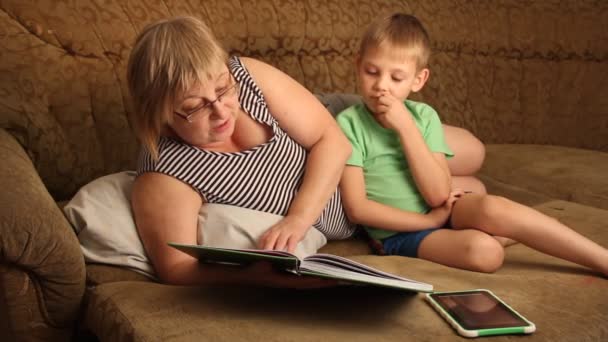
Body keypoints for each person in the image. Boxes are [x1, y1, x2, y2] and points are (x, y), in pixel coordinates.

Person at [125, 16, 490, 287]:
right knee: (472, 190)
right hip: (359, 193)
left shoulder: (246, 74)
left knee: (473, 151)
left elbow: (332, 139)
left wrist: (299, 218)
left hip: (341, 126)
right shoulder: (165, 171)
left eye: (223, 88)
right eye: (196, 106)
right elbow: (177, 268)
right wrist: (256, 276)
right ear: (159, 112)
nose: (222, 111)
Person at [336, 13, 608, 276]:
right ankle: (516, 232)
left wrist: (406, 127)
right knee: (486, 253)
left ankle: (600, 259)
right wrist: (428, 222)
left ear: (418, 80)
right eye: (372, 71)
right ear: (358, 65)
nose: (381, 86)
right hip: (401, 234)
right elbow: (358, 209)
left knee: (494, 208)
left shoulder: (424, 117)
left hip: (444, 207)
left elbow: (438, 195)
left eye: (396, 78)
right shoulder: (348, 124)